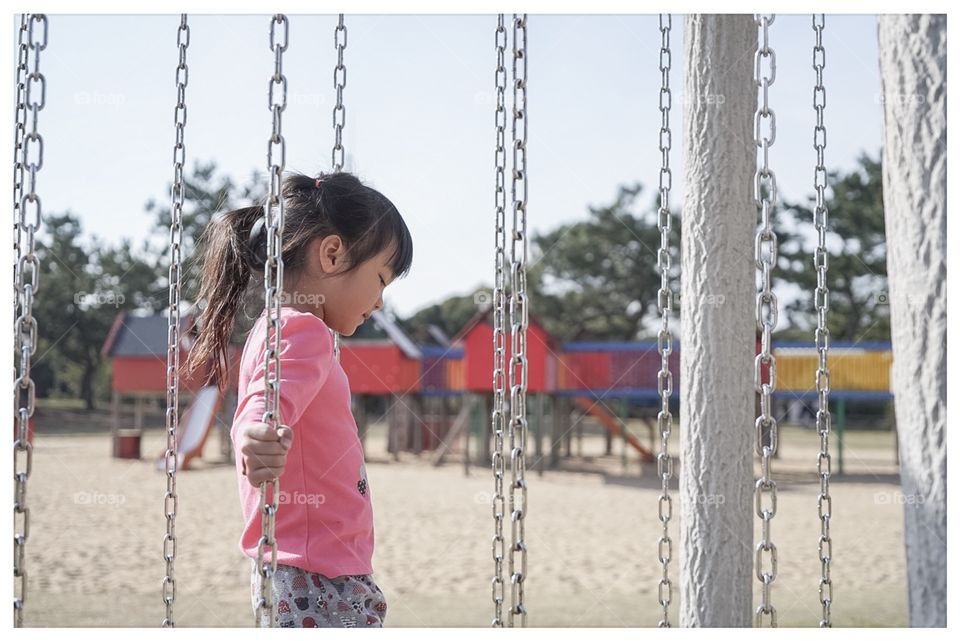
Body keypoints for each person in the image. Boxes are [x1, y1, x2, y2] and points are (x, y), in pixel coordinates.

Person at [184, 171, 413, 627]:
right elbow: (267, 396)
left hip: (302, 568)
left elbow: (268, 387)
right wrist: (255, 431)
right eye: (381, 280)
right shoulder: (302, 327)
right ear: (332, 254)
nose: (381, 302)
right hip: (320, 576)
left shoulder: (270, 327)